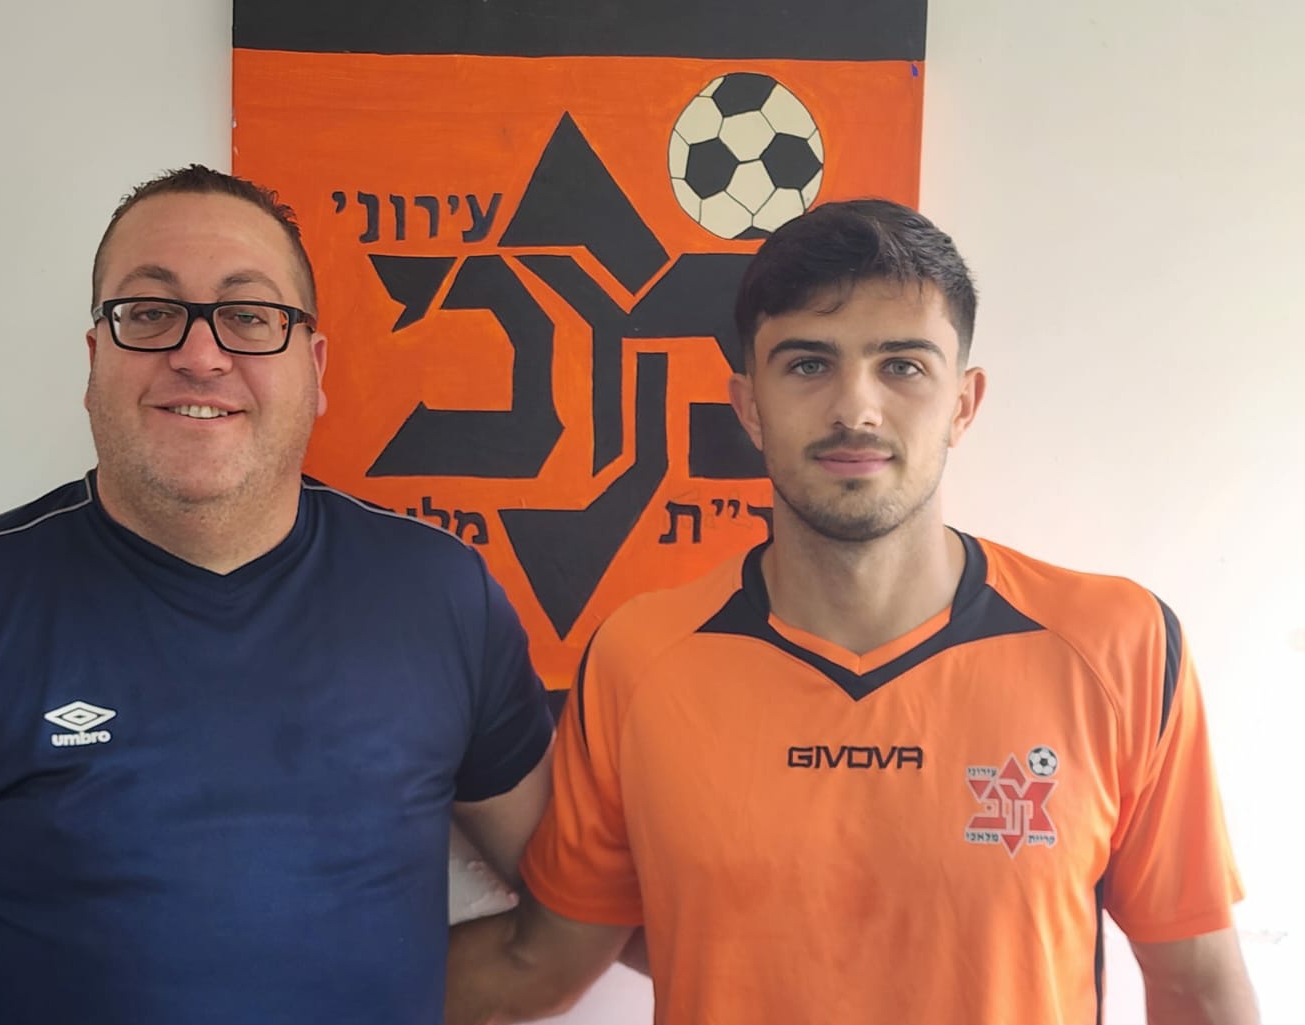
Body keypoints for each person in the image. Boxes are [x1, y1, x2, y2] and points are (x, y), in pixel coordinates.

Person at [0, 165, 554, 1025]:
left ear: (314, 367)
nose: (200, 355)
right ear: (96, 358)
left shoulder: (443, 597)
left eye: (250, 315)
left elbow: (569, 911)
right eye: (150, 311)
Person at [445, 199, 1259, 1025]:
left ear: (964, 404)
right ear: (749, 406)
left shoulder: (1118, 646)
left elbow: (1197, 985)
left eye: (902, 365)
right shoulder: (640, 656)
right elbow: (542, 961)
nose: (856, 409)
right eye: (808, 364)